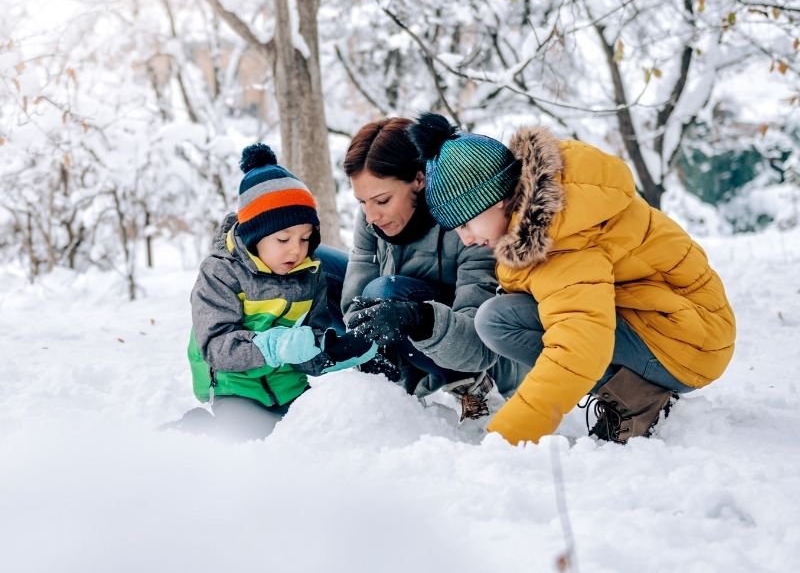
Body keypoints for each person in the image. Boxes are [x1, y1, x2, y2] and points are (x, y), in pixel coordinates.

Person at [409, 113, 736, 445]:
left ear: (499, 199)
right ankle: (637, 393)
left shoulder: (561, 235)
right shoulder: (550, 208)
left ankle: (638, 402)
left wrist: (507, 437)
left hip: (688, 345)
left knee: (500, 321)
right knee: (501, 315)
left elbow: (578, 347)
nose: (465, 239)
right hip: (676, 325)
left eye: (466, 224)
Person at [317, 117, 527, 417]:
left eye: (382, 200)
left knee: (385, 291)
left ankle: (471, 388)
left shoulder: (472, 226)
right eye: (362, 202)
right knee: (314, 265)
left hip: (477, 354)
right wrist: (363, 342)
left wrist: (415, 318)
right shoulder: (372, 218)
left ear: (419, 179)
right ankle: (375, 387)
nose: (371, 215)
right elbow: (356, 299)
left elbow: (478, 345)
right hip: (401, 329)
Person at [182, 143, 377, 440]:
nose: (296, 250)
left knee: (317, 443)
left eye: (305, 238)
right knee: (246, 448)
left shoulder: (309, 273)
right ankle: (200, 429)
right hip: (236, 389)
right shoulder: (220, 273)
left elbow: (309, 338)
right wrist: (276, 346)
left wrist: (329, 352)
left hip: (291, 388)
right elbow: (217, 347)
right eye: (283, 238)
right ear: (255, 236)